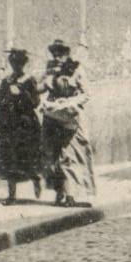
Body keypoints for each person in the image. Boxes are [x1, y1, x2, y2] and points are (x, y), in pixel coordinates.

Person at [40, 40, 96, 207]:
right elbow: (44, 90)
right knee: (54, 156)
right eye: (54, 54)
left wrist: (69, 101)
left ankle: (71, 196)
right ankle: (59, 193)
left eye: (60, 54)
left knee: (70, 157)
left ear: (67, 54)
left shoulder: (77, 70)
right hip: (52, 117)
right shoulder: (50, 70)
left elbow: (86, 94)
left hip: (71, 118)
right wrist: (46, 101)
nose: (57, 57)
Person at [0, 48, 43, 204]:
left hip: (26, 125)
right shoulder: (5, 82)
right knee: (9, 158)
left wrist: (22, 93)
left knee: (28, 157)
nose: (16, 67)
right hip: (10, 125)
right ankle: (12, 195)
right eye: (14, 63)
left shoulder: (29, 80)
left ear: (23, 64)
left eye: (19, 64)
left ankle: (36, 179)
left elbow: (35, 102)